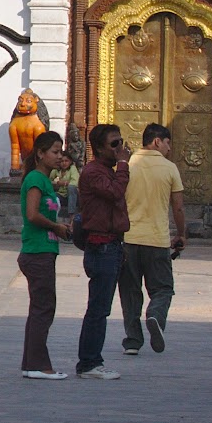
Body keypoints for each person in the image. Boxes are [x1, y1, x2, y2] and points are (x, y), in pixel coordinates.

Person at [119, 123, 187, 356]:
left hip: (128, 239)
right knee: (163, 289)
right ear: (157, 141)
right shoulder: (170, 169)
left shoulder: (127, 165)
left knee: (130, 292)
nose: (169, 148)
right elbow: (178, 207)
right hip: (157, 240)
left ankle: (132, 341)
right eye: (168, 143)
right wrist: (181, 234)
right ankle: (156, 315)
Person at [19, 130, 75, 379]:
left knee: (40, 308)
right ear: (40, 154)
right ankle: (39, 365)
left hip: (45, 249)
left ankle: (31, 363)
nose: (58, 156)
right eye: (54, 151)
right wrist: (55, 227)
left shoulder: (45, 181)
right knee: (43, 308)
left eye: (60, 152)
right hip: (37, 249)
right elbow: (32, 214)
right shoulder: (35, 179)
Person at [75, 124, 130, 380]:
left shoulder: (106, 171)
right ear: (99, 148)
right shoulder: (94, 172)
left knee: (101, 308)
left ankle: (91, 360)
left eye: (121, 142)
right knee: (98, 309)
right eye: (114, 144)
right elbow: (116, 192)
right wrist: (123, 166)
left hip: (112, 244)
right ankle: (89, 362)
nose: (120, 148)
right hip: (101, 247)